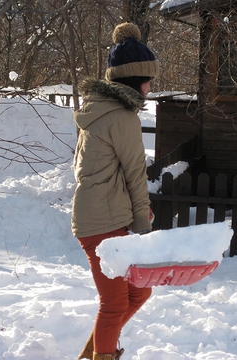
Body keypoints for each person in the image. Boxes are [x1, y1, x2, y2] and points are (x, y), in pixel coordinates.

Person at [71, 22, 159, 360]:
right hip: (102, 222)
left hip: (104, 216)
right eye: (149, 79)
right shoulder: (122, 118)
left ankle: (95, 351)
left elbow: (104, 171)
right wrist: (142, 223)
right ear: (134, 80)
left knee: (138, 294)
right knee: (115, 303)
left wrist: (132, 215)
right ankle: (101, 354)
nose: (151, 86)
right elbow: (136, 175)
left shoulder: (97, 111)